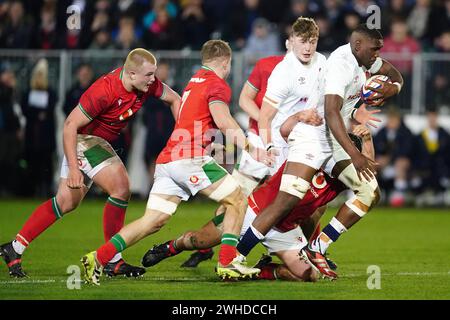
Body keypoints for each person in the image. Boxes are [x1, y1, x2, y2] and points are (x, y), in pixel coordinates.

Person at [81, 40, 272, 285]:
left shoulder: (194, 81)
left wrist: (208, 143)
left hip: (169, 160)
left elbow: (192, 119)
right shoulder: (217, 84)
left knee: (152, 221)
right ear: (226, 63)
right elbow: (223, 119)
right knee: (237, 199)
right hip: (188, 160)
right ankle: (228, 262)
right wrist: (249, 147)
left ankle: (97, 257)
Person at [238, 24, 403, 280]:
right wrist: (356, 155)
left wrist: (393, 88)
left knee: (370, 192)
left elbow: (395, 75)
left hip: (334, 142)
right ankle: (236, 257)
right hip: (312, 139)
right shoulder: (340, 65)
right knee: (287, 200)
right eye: (374, 49)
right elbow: (331, 113)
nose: (378, 54)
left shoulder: (365, 58)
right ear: (358, 45)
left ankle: (318, 247)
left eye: (379, 50)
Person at [0, 48, 181, 278]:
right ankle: (112, 260)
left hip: (94, 141)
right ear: (131, 74)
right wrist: (75, 168)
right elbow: (69, 126)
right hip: (83, 140)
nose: (153, 80)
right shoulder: (104, 90)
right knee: (121, 187)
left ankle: (14, 248)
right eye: (148, 75)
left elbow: (175, 99)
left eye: (154, 74)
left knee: (66, 202)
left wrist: (181, 137)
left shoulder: (146, 84)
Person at [141, 125, 375, 282]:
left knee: (310, 275)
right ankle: (172, 247)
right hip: (254, 212)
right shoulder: (312, 156)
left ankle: (263, 270)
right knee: (199, 239)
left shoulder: (347, 176)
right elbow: (286, 129)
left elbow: (370, 178)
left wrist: (367, 138)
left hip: (284, 230)